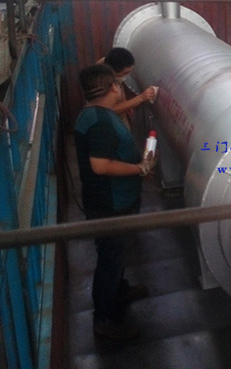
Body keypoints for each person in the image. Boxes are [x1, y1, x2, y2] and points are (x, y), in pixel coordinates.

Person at [74, 64, 157, 341]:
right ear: (113, 88)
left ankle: (119, 291)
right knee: (110, 258)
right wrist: (139, 168)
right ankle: (105, 320)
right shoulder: (100, 123)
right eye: (119, 84)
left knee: (116, 253)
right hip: (111, 202)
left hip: (113, 199)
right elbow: (100, 165)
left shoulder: (94, 114)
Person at [97, 47, 157, 117]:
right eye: (125, 73)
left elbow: (120, 83)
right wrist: (141, 98)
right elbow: (108, 110)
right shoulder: (100, 82)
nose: (127, 75)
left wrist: (126, 104)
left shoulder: (111, 61)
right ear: (113, 71)